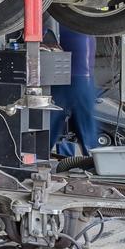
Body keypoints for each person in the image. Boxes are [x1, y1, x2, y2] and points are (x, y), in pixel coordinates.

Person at [46, 20, 98, 158]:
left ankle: (40, 156)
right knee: (84, 125)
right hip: (84, 79)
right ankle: (94, 160)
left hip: (69, 79)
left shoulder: (57, 23)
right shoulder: (84, 24)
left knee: (51, 121)